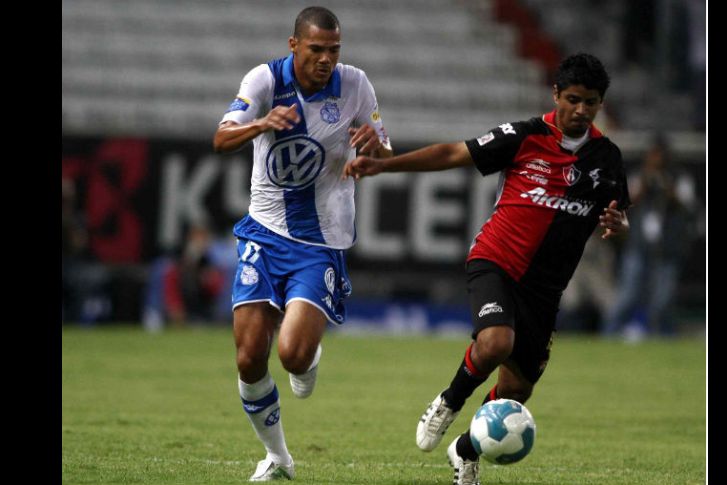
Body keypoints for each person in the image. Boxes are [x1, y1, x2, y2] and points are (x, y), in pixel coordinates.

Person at [344, 53, 629, 485]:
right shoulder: (525, 136)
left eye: (591, 102)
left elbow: (619, 221)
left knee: (517, 393)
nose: (581, 110)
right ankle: (450, 399)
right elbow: (453, 152)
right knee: (495, 342)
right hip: (496, 259)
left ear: (600, 103)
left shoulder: (608, 159)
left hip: (546, 290)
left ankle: (465, 449)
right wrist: (386, 164)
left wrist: (619, 226)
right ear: (555, 94)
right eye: (573, 99)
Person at [213, 6, 392, 481]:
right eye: (316, 49)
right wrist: (261, 123)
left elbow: (386, 149)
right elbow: (221, 137)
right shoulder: (263, 81)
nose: (326, 59)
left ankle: (307, 352)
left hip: (321, 240)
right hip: (264, 232)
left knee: (291, 355)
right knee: (250, 357)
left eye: (334, 50)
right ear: (294, 45)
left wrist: (375, 145)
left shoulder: (355, 85)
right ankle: (278, 457)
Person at [602, 136, 696, 339]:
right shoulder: (638, 176)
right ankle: (609, 335)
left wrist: (668, 189)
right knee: (628, 295)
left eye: (660, 155)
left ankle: (661, 338)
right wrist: (645, 185)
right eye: (653, 155)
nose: (657, 160)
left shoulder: (679, 178)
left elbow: (688, 208)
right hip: (638, 245)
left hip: (668, 247)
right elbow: (624, 203)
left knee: (662, 299)